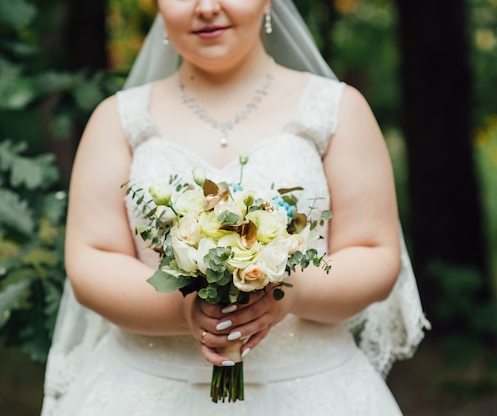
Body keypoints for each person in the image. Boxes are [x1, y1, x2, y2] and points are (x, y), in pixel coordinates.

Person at [41, 1, 430, 414]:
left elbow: (375, 252)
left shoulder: (336, 110)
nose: (207, 8)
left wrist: (289, 295)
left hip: (309, 388)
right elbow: (92, 258)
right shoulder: (118, 119)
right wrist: (186, 308)